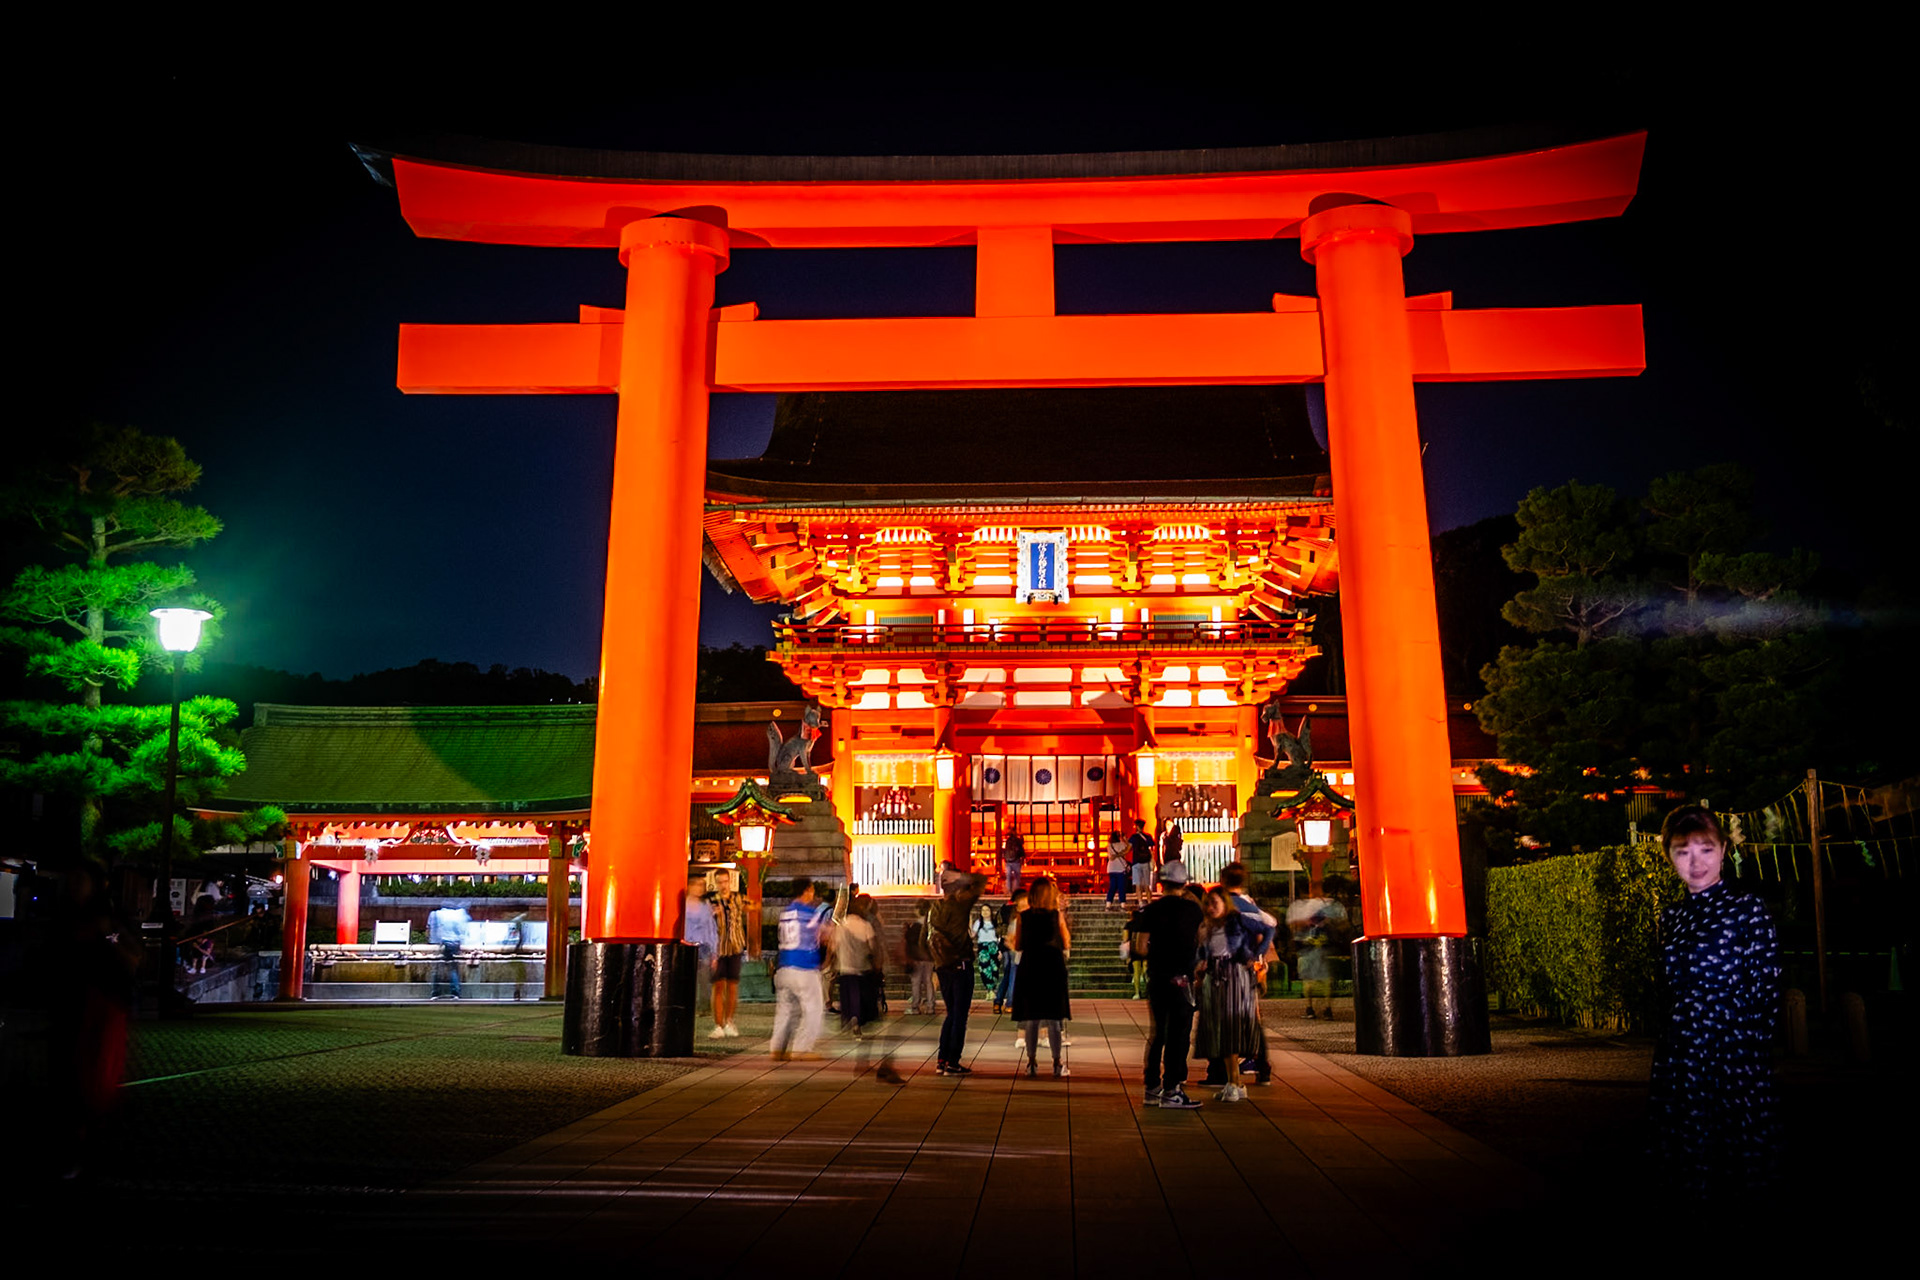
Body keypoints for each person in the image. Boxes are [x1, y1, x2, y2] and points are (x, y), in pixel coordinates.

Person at [1648, 804, 1782, 1197]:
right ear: (1668, 855)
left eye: (1705, 849)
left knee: (1737, 1158)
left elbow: (1766, 991)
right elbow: (1665, 991)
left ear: (1723, 850)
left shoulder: (1748, 911)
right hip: (1679, 1055)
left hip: (1733, 1053)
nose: (1695, 862)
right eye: (1682, 851)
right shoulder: (1671, 917)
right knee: (1684, 1158)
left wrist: (1748, 1056)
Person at [1129, 862, 1205, 1109]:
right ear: (1184, 884)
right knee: (1180, 1034)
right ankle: (1172, 1087)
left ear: (1161, 883)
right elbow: (1202, 939)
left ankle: (1151, 1087)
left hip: (1158, 977)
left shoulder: (1150, 911)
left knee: (1158, 1032)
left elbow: (1139, 947)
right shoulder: (1193, 911)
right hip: (1182, 977)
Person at [1195, 888, 1261, 1100]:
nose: (1211, 907)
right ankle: (1234, 1082)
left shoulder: (1236, 921)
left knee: (1230, 1029)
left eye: (1215, 903)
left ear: (1225, 903)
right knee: (1219, 1031)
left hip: (1233, 976)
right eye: (1208, 903)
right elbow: (1204, 952)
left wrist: (1256, 956)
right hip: (1214, 977)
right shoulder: (1208, 926)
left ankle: (1235, 1081)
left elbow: (1267, 926)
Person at [1218, 862, 1275, 1085]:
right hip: (1250, 966)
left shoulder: (1224, 905)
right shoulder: (1251, 905)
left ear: (1222, 880)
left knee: (1227, 1019)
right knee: (1252, 1018)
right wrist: (1258, 954)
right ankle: (1261, 1064)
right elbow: (1269, 926)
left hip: (1229, 966)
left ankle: (1227, 1073)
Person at [1012, 877, 1072, 1077]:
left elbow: (1018, 944)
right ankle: (1057, 1062)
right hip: (1052, 965)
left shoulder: (1024, 916)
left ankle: (1031, 1062)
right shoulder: (1056, 916)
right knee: (1054, 1018)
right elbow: (1066, 941)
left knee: (1032, 1018)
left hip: (1030, 965)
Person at [770, 879, 833, 1061]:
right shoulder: (809, 914)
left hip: (784, 967)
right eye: (811, 891)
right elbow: (823, 935)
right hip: (804, 967)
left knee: (785, 1010)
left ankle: (777, 1048)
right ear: (807, 891)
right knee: (813, 1008)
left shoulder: (786, 913)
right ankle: (802, 1048)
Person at [927, 870, 983, 1075]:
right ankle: (952, 1061)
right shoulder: (960, 904)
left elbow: (929, 938)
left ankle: (942, 1059)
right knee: (960, 1016)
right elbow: (980, 882)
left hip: (943, 966)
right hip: (961, 964)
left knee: (952, 1013)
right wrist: (962, 877)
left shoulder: (934, 907)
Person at [1288, 885, 1346, 1019]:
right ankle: (1324, 1008)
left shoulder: (1307, 910)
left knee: (1311, 980)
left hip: (1311, 951)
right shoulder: (1326, 908)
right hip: (1317, 950)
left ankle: (1314, 1008)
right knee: (1319, 980)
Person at [708, 868, 748, 1038]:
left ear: (730, 882)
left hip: (735, 945)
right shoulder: (712, 901)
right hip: (718, 947)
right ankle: (718, 1024)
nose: (723, 885)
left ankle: (729, 1020)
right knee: (718, 986)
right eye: (720, 882)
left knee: (732, 985)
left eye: (726, 881)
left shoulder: (738, 898)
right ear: (716, 883)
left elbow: (754, 906)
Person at [682, 879, 717, 1021]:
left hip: (703, 945)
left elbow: (711, 929)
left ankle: (704, 1007)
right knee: (686, 978)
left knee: (704, 979)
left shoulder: (705, 906)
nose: (700, 888)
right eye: (697, 885)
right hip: (686, 944)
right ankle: (686, 1006)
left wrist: (715, 951)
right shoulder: (683, 904)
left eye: (702, 886)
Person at [428, 900, 470, 999]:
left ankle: (436, 992)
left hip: (441, 943)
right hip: (455, 943)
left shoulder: (435, 914)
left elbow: (429, 929)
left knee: (437, 968)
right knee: (453, 968)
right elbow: (464, 930)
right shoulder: (460, 914)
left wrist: (431, 942)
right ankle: (455, 993)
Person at [994, 889, 1027, 1017]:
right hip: (1015, 950)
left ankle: (998, 1001)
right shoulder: (1018, 918)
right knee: (1013, 975)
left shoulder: (1004, 910)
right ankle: (1010, 1003)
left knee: (1008, 974)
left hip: (1006, 947)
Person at [903, 899, 937, 1014]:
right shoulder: (931, 925)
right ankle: (930, 1006)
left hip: (917, 957)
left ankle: (915, 1006)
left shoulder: (915, 926)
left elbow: (910, 941)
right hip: (929, 957)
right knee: (928, 981)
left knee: (916, 981)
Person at [1127, 818, 1155, 906]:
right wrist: (1152, 860)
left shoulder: (1133, 837)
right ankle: (1149, 902)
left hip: (1136, 862)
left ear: (1137, 826)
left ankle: (1140, 903)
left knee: (1138, 884)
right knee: (1147, 884)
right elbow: (1151, 850)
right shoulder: (1148, 837)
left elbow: (1128, 848)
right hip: (1145, 862)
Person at [1104, 836, 1130, 911]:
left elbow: (1111, 857)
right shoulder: (1122, 844)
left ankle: (1108, 905)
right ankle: (1122, 905)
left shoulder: (1109, 846)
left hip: (1111, 868)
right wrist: (1125, 839)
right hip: (1120, 868)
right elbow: (1128, 848)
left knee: (1112, 887)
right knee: (1121, 887)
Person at [1001, 831, 1026, 895]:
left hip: (1008, 862)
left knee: (1008, 877)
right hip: (1016, 861)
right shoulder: (1017, 841)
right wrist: (1023, 857)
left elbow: (1003, 850)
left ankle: (1008, 891)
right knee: (1017, 876)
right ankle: (1015, 890)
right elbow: (1021, 851)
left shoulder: (1007, 841)